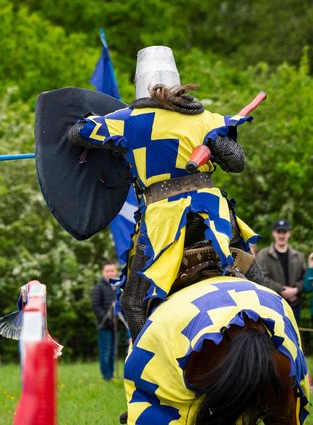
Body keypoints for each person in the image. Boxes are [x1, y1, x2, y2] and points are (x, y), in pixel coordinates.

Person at [68, 46, 266, 340]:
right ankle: (283, 340)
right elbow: (237, 164)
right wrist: (215, 143)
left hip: (163, 222)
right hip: (213, 216)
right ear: (177, 81)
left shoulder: (127, 120)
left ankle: (144, 370)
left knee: (133, 302)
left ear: (139, 82)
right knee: (257, 284)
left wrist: (117, 142)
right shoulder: (208, 119)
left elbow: (77, 132)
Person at [255, 219, 306, 323]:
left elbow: (305, 278)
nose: (281, 235)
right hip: (272, 304)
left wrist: (295, 290)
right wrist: (282, 290)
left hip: (294, 306)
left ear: (289, 234)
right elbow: (260, 277)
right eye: (279, 232)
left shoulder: (299, 256)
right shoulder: (263, 255)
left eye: (284, 232)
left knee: (294, 337)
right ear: (273, 233)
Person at [91, 262, 119, 381]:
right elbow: (96, 306)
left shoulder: (118, 286)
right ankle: (106, 377)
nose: (110, 273)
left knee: (113, 351)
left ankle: (111, 375)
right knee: (105, 352)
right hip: (104, 325)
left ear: (116, 272)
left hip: (116, 325)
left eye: (112, 270)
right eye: (107, 271)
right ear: (103, 272)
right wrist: (106, 319)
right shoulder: (99, 287)